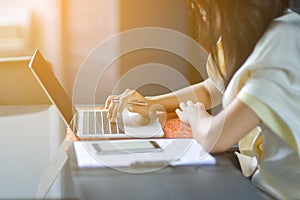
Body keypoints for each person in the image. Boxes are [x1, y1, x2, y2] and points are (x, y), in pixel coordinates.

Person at [105, 0, 300, 198]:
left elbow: (216, 138)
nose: (198, 11)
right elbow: (211, 90)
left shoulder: (283, 42)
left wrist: (196, 117)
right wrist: (150, 102)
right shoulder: (256, 32)